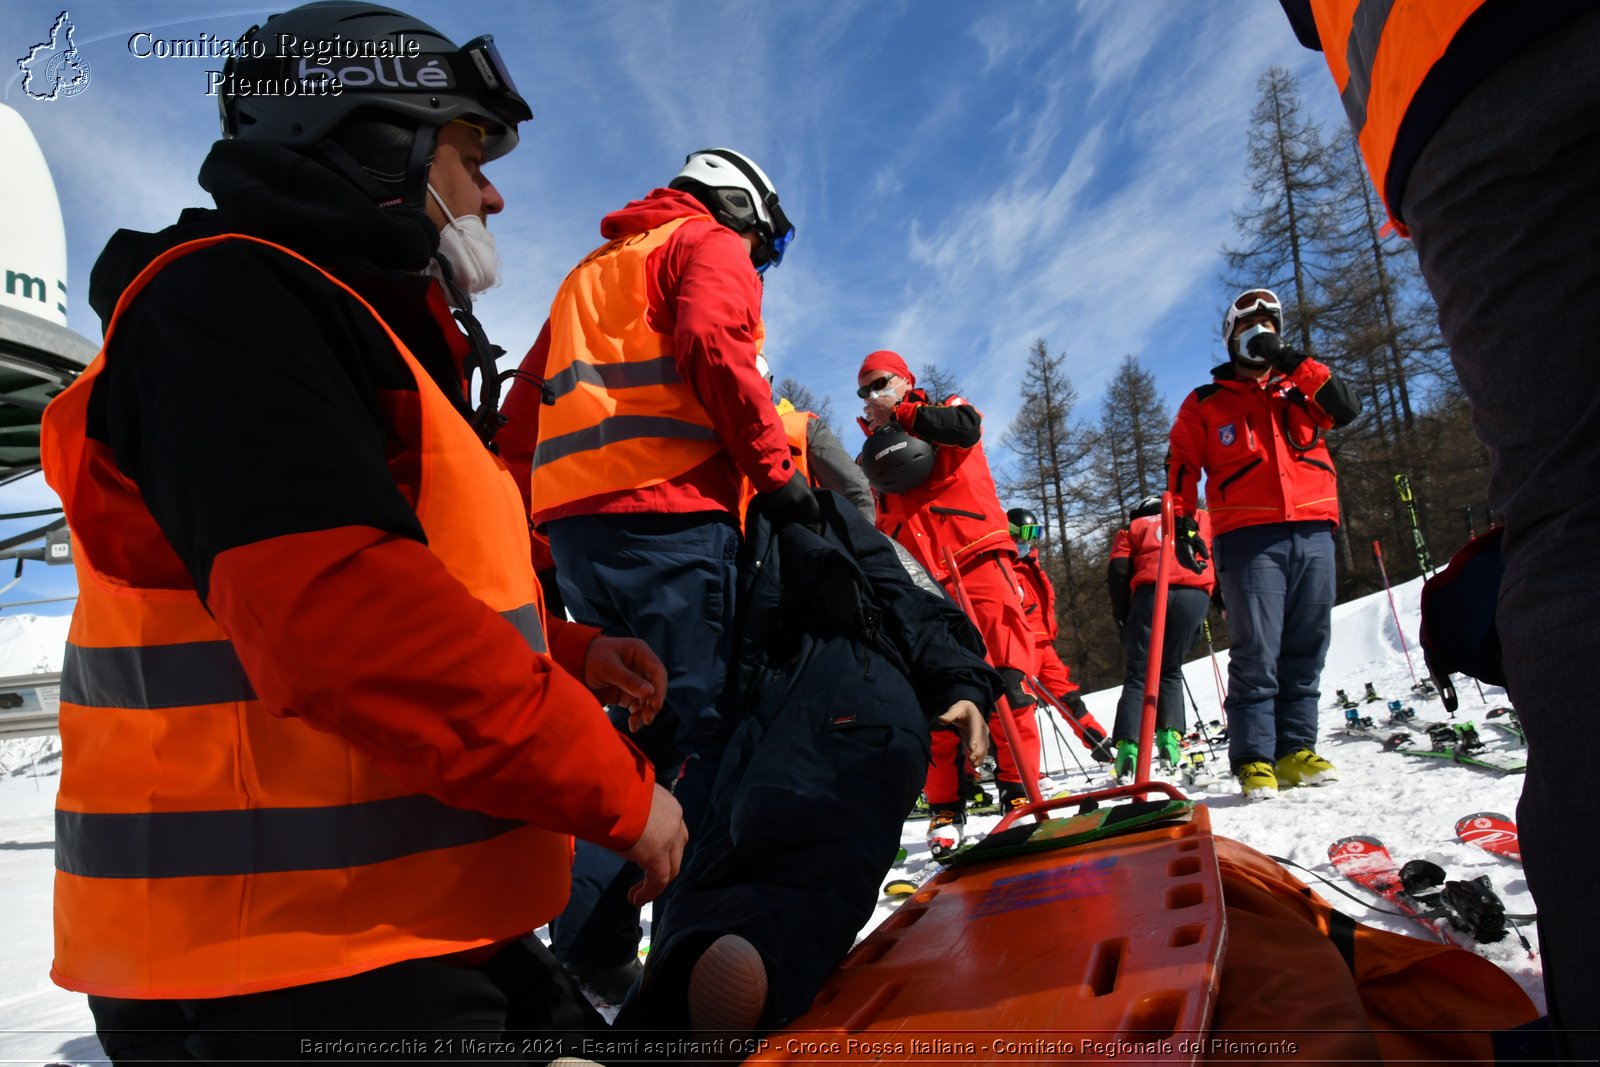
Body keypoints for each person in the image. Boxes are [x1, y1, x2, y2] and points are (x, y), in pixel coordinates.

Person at [38, 3, 687, 1060]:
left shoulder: (333, 321)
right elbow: (342, 619)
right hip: (275, 965)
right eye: (469, 150)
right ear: (370, 134)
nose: (493, 190)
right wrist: (617, 789)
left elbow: (413, 583)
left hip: (391, 939)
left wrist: (570, 653)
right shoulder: (226, 307)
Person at [1281, 1, 1599, 1054]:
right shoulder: (1206, 404)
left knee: (1572, 519)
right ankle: (1264, 752)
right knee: (1575, 519)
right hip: (1463, 95)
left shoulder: (1295, 380)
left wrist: (1302, 372)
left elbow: (1346, 413)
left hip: (1440, 100)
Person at [501, 147, 808, 997]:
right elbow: (715, 340)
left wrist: (532, 549)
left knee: (634, 729)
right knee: (691, 738)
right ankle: (664, 953)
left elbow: (520, 417)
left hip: (579, 535)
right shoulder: (704, 243)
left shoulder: (589, 273)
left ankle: (597, 939)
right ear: (742, 208)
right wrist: (776, 476)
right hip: (668, 517)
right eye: (765, 245)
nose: (759, 264)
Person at [621, 491, 998, 1036]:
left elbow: (910, 591)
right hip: (816, 696)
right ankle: (699, 999)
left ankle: (681, 1009)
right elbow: (915, 594)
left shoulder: (740, 522)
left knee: (758, 856)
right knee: (768, 856)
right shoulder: (779, 517)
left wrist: (960, 682)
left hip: (808, 697)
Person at [1165, 288, 1360, 799]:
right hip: (1248, 538)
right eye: (1247, 326)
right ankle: (1253, 756)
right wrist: (1185, 526)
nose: (1259, 333)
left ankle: (1296, 748)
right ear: (1230, 337)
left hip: (1314, 527)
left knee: (1308, 643)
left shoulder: (1301, 389)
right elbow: (1182, 467)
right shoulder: (1205, 402)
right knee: (1257, 648)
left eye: (1268, 324)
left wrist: (1294, 363)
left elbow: (1347, 407)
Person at [855, 350, 1041, 854]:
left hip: (976, 558)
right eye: (864, 391)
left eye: (880, 383)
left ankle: (1020, 790)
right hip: (922, 584)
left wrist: (905, 414)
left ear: (905, 380)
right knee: (936, 692)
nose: (873, 396)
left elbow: (966, 429)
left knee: (1008, 680)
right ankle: (945, 805)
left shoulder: (943, 411)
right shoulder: (872, 456)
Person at [1106, 496, 1216, 779]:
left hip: (1151, 593)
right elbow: (1217, 553)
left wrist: (1123, 614)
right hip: (1194, 593)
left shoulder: (1132, 529)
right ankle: (1169, 741)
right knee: (1170, 669)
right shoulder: (1199, 517)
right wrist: (1222, 603)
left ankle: (1128, 749)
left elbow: (1118, 570)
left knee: (1139, 674)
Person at [1007, 506, 1115, 764]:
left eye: (1034, 534)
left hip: (1044, 646)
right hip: (1020, 646)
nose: (1028, 541)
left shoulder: (1032, 566)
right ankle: (1019, 767)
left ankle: (1097, 740)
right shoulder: (1004, 567)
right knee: (1021, 706)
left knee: (1067, 696)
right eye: (1022, 535)